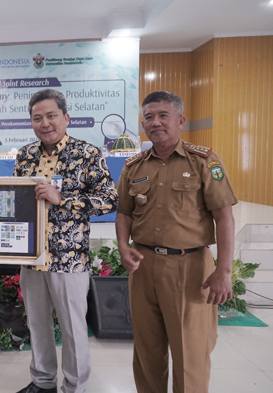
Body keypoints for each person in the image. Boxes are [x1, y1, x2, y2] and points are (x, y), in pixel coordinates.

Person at [115, 90, 237, 393]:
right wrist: (122, 246)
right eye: (149, 117)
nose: (155, 122)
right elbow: (124, 214)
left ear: (180, 120)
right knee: (147, 351)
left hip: (190, 266)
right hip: (144, 267)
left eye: (163, 115)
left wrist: (223, 270)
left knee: (190, 354)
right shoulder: (134, 166)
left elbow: (224, 217)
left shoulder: (204, 161)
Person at [14, 89, 118, 393]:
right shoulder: (25, 155)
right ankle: (43, 382)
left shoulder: (87, 153)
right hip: (31, 255)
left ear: (66, 117)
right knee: (37, 325)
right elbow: (16, 201)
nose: (45, 123)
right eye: (37, 118)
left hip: (69, 258)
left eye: (51, 116)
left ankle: (74, 387)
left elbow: (109, 200)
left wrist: (64, 199)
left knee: (73, 329)